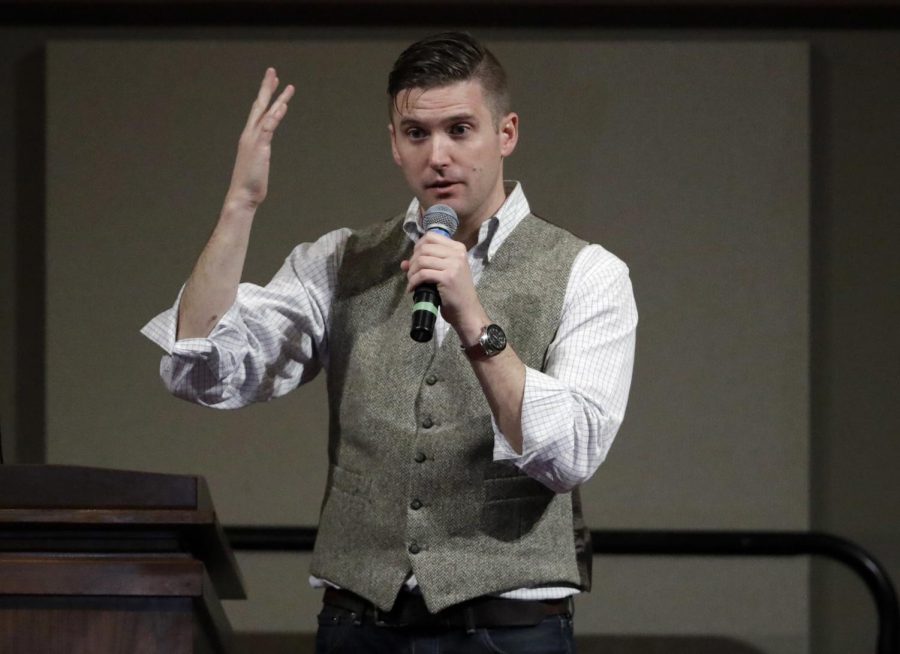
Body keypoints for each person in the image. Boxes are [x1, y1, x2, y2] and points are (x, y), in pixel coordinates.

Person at [142, 32, 637, 654]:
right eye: (416, 133)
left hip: (508, 629)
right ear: (394, 144)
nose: (438, 156)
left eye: (460, 129)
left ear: (506, 134)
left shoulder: (588, 273)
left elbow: (570, 455)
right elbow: (203, 370)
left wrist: (474, 321)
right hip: (359, 622)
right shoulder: (342, 260)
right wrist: (241, 205)